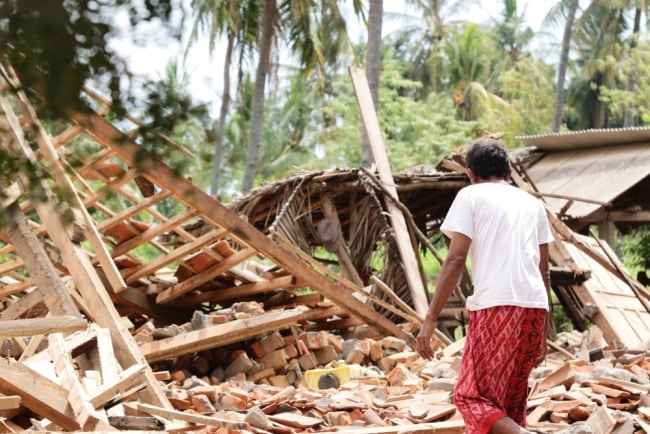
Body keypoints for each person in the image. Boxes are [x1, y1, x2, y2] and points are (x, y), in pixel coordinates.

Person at [415, 138, 553, 434]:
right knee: (508, 406)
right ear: (507, 170)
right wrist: (544, 329)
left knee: (470, 396)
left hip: (496, 307)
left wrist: (429, 319)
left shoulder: (471, 196)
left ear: (471, 173)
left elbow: (455, 259)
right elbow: (544, 271)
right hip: (534, 308)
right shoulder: (533, 204)